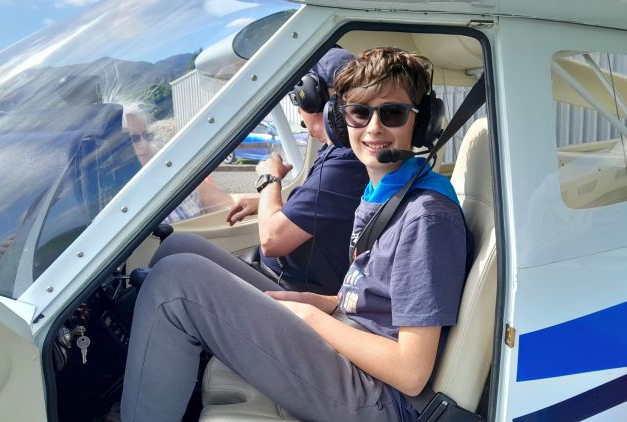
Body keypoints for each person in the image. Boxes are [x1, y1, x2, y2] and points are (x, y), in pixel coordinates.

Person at [120, 46, 468, 422]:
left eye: (392, 113)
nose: (373, 128)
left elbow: (410, 373)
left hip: (379, 396)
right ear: (341, 119)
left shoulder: (425, 219)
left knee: (175, 282)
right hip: (352, 345)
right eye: (359, 112)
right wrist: (323, 303)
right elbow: (372, 299)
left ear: (422, 121)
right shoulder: (384, 191)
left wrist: (309, 317)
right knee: (179, 246)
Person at [155, 47, 368, 294]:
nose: (298, 107)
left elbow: (272, 241)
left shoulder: (346, 163)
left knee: (175, 274)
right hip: (276, 273)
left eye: (298, 98)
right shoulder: (336, 154)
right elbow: (323, 206)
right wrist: (263, 202)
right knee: (177, 245)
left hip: (287, 284)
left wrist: (269, 180)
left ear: (311, 98)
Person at [123, 105, 233, 223]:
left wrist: (247, 202)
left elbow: (227, 205)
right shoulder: (121, 202)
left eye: (146, 135)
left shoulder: (173, 176)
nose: (144, 144)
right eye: (133, 139)